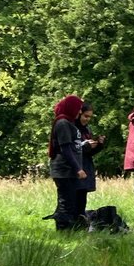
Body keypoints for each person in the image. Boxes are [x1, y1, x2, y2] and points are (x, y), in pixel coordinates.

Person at [47, 94, 87, 230]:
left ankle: (70, 228)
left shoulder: (70, 123)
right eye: (78, 108)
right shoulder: (63, 123)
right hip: (64, 169)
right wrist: (78, 168)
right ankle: (63, 230)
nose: (80, 112)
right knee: (66, 202)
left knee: (71, 201)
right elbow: (66, 149)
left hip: (69, 170)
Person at [74, 102, 105, 220]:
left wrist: (98, 145)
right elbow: (72, 148)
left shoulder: (87, 129)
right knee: (74, 198)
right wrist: (85, 145)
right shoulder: (72, 127)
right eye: (85, 116)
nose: (87, 119)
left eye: (90, 117)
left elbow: (89, 152)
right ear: (79, 114)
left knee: (82, 197)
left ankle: (81, 222)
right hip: (75, 167)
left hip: (86, 165)